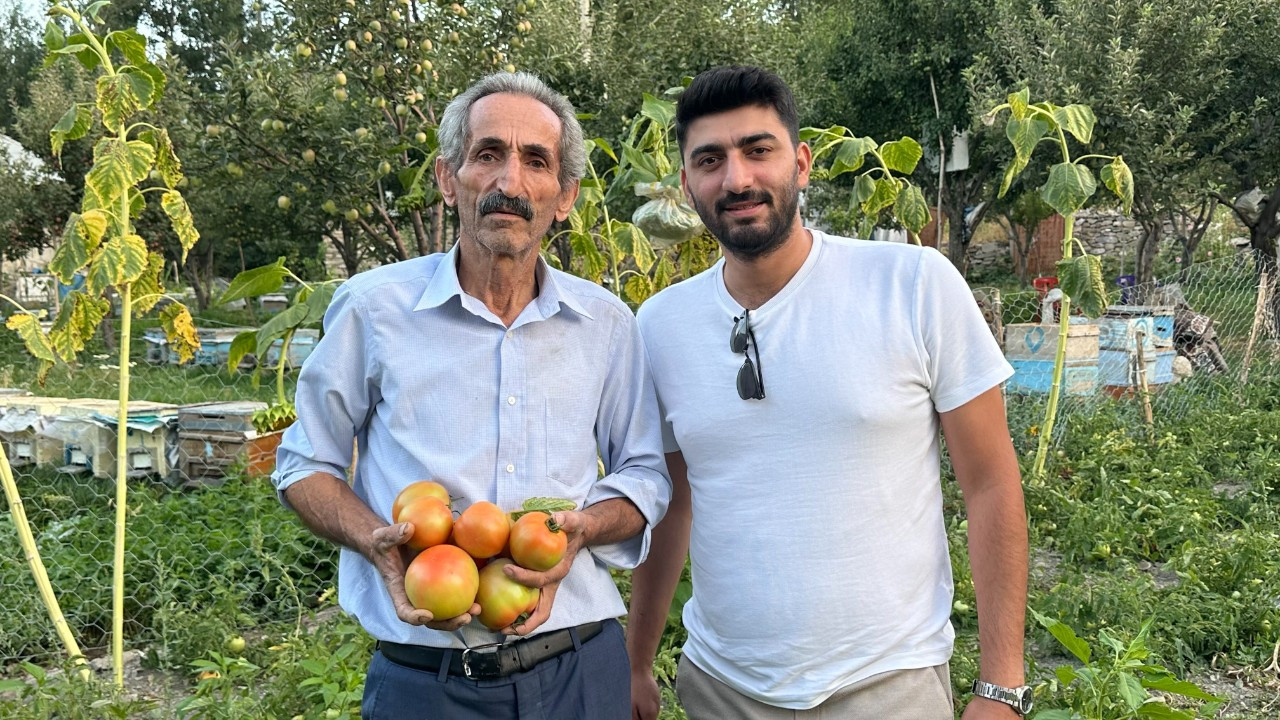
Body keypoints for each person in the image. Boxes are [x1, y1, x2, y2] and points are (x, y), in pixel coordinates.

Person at [627, 66, 1030, 719]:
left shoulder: (912, 285)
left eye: (758, 150)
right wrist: (637, 660)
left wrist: (1001, 687)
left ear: (802, 163)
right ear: (686, 185)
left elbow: (990, 483)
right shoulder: (660, 326)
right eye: (710, 160)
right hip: (721, 690)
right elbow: (671, 503)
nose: (736, 179)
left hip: (888, 686)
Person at [272, 71, 671, 720]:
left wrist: (584, 530)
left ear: (564, 196)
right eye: (488, 154)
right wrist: (375, 537)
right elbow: (302, 463)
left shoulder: (607, 325)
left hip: (579, 669)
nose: (509, 183)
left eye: (535, 161)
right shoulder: (374, 311)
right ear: (447, 176)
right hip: (425, 684)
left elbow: (645, 474)